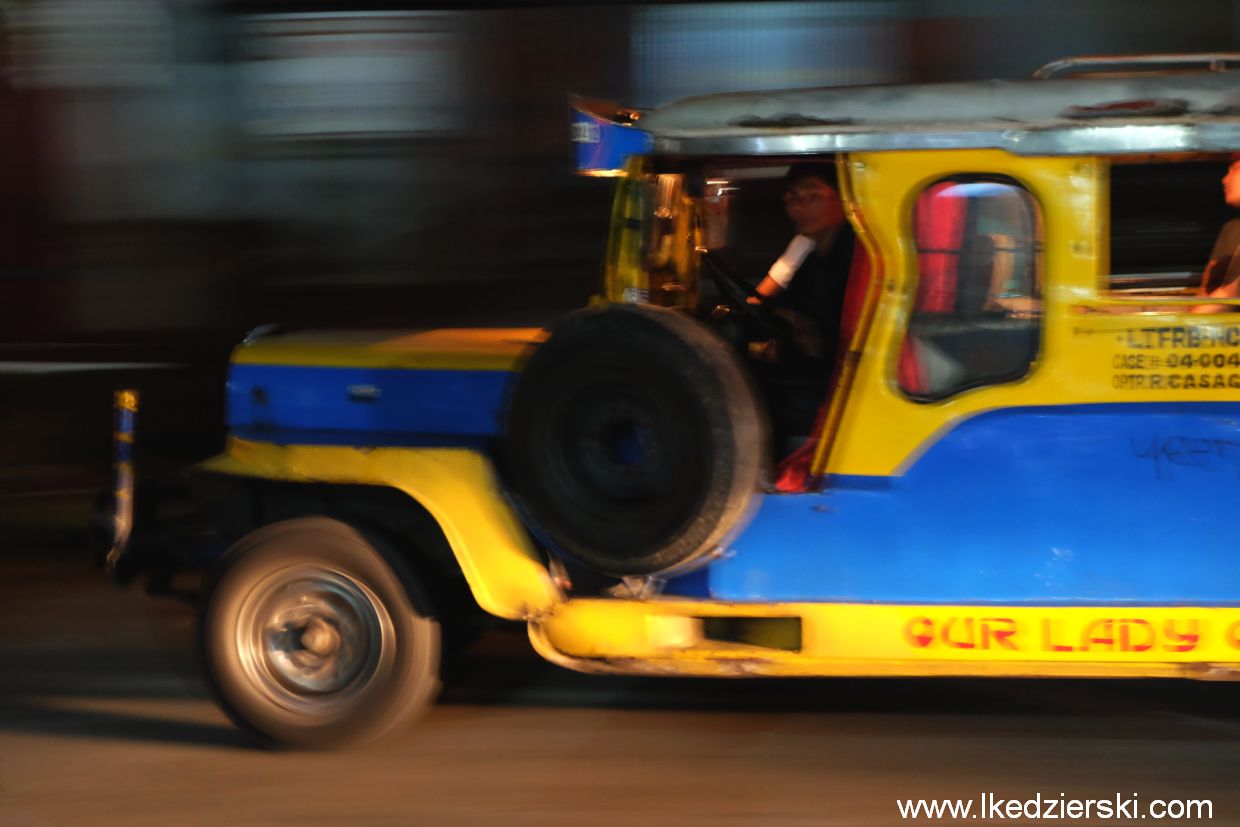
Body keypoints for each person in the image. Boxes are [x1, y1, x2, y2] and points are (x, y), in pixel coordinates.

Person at [749, 163, 857, 371]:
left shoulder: (853, 257)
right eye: (793, 198)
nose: (799, 206)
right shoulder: (812, 258)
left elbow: (828, 340)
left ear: (843, 200)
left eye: (814, 197)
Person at [1192, 157, 1240, 314]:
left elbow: (1231, 295)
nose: (1225, 179)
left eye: (1234, 170)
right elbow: (1206, 289)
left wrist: (1187, 324)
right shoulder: (1231, 229)